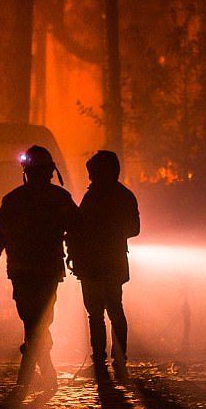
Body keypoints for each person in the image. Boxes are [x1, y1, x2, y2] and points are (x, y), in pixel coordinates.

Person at [0, 145, 77, 391]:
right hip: (46, 270)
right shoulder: (59, 198)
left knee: (34, 321)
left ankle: (31, 370)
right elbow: (78, 230)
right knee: (39, 321)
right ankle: (40, 370)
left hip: (24, 271)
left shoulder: (14, 200)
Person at [68, 150, 139, 379]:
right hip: (112, 261)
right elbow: (135, 229)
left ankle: (100, 360)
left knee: (96, 314)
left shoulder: (92, 197)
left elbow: (78, 227)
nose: (90, 178)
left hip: (92, 263)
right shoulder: (125, 196)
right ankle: (119, 358)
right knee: (114, 309)